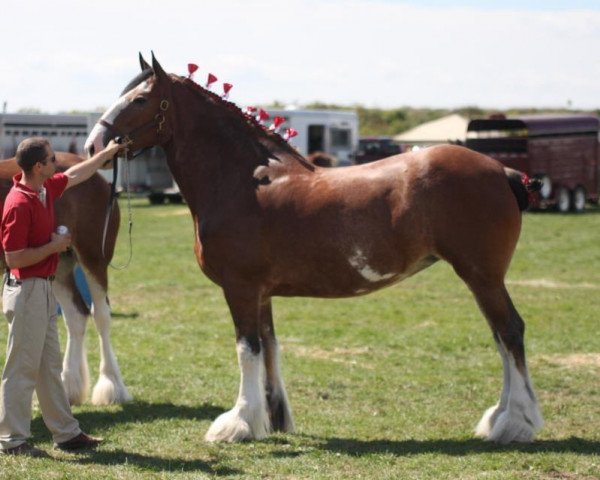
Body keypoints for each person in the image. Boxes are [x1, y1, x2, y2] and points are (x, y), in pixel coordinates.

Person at [0, 137, 125, 457]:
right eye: (52, 159)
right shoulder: (19, 202)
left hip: (42, 290)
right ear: (38, 166)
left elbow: (74, 175)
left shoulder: (45, 189)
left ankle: (66, 433)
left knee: (49, 367)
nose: (58, 164)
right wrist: (53, 248)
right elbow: (13, 258)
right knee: (20, 369)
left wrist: (107, 154)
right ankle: (12, 440)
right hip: (26, 290)